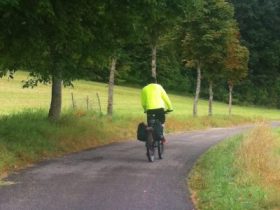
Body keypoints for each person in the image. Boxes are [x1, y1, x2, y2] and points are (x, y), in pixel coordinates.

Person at [141, 76, 173, 143]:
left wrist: (145, 109)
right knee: (161, 122)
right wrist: (170, 108)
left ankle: (149, 136)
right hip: (159, 109)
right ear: (156, 82)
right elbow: (166, 98)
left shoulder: (144, 89)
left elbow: (143, 102)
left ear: (147, 83)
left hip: (150, 110)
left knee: (150, 124)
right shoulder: (159, 87)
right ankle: (161, 136)